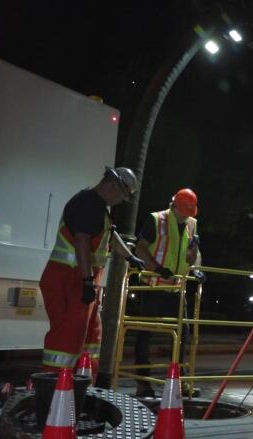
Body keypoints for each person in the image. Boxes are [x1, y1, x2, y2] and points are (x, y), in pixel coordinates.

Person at [40, 166, 146, 372]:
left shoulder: (98, 208)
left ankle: (82, 384)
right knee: (68, 338)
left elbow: (111, 236)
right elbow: (81, 241)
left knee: (89, 335)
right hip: (70, 280)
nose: (123, 201)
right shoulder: (87, 204)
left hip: (80, 281)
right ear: (112, 185)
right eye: (123, 195)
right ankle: (56, 386)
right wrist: (87, 280)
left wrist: (130, 256)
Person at [133, 188, 201, 397]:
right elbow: (140, 249)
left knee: (183, 333)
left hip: (176, 287)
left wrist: (195, 263)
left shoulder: (191, 224)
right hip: (153, 285)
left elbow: (191, 256)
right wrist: (156, 267)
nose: (187, 216)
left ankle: (177, 381)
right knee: (145, 333)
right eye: (184, 211)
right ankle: (143, 383)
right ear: (174, 207)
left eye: (191, 212)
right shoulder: (157, 220)